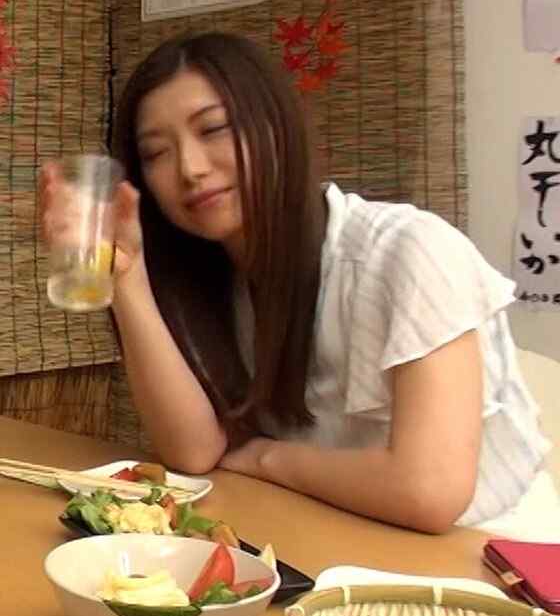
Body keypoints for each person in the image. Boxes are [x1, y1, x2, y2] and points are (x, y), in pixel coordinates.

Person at [40, 31, 557, 538]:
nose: (191, 169)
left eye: (214, 129)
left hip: (492, 556)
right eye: (157, 153)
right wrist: (127, 277)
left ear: (275, 126)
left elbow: (428, 491)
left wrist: (267, 457)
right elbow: (194, 452)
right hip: (332, 535)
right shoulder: (214, 279)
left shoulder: (407, 251)